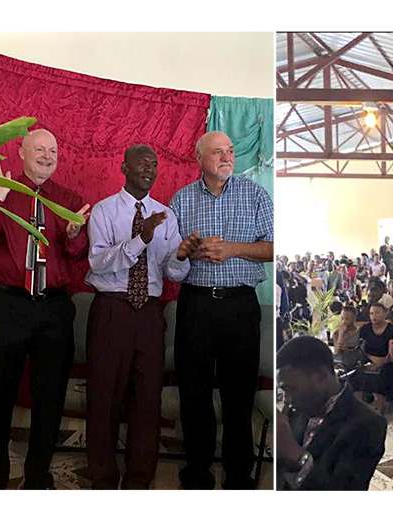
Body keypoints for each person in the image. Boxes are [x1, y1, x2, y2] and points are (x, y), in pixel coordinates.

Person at [0, 129, 90, 489]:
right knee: (0, 397)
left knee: (50, 399)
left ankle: (38, 478)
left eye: (53, 150)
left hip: (53, 310)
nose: (46, 155)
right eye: (39, 149)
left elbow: (77, 256)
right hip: (8, 305)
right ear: (21, 153)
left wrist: (74, 235)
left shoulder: (68, 199)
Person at [84, 145, 198, 489]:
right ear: (123, 167)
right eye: (142, 163)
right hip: (111, 310)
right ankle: (103, 480)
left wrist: (181, 255)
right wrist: (140, 238)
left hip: (149, 313)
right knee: (104, 398)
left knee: (148, 399)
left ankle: (139, 481)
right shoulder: (104, 211)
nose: (149, 169)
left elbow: (174, 273)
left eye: (154, 165)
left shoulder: (165, 215)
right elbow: (98, 262)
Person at [169, 131, 274, 490]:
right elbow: (171, 261)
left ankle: (238, 478)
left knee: (238, 397)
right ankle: (197, 475)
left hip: (240, 306)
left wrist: (233, 249)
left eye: (230, 151)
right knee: (194, 394)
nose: (226, 157)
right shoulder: (181, 200)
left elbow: (275, 247)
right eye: (217, 152)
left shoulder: (255, 194)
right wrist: (184, 250)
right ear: (199, 158)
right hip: (195, 305)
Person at [276, 336, 387, 490]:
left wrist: (295, 455)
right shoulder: (298, 406)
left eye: (292, 389)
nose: (287, 400)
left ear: (321, 376)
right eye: (285, 391)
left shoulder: (367, 424)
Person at [356, 303, 393, 414]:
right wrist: (372, 360)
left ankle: (381, 405)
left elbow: (392, 355)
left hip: (387, 361)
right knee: (358, 370)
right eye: (371, 313)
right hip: (368, 358)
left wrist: (381, 362)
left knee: (386, 372)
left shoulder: (392, 329)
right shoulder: (365, 329)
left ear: (385, 313)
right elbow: (361, 349)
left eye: (377, 313)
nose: (374, 316)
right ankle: (362, 403)